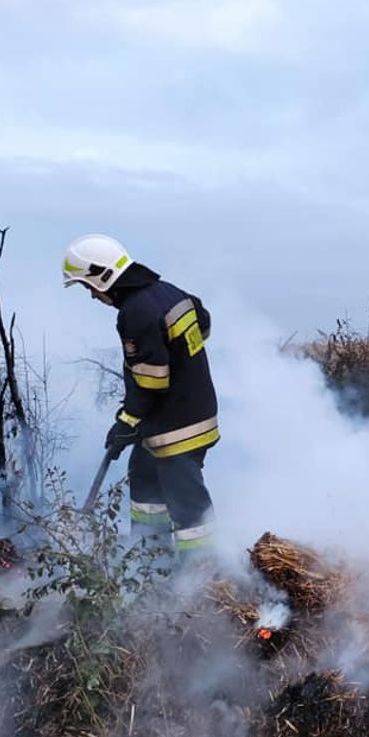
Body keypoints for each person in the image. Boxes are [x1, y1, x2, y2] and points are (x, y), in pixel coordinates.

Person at [62, 234, 219, 556]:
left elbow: (151, 382)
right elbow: (203, 322)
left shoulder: (135, 312)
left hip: (177, 428)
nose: (92, 296)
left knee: (188, 507)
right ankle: (150, 561)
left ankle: (202, 576)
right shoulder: (169, 292)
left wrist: (125, 422)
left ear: (101, 275)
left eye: (87, 286)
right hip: (183, 415)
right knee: (145, 483)